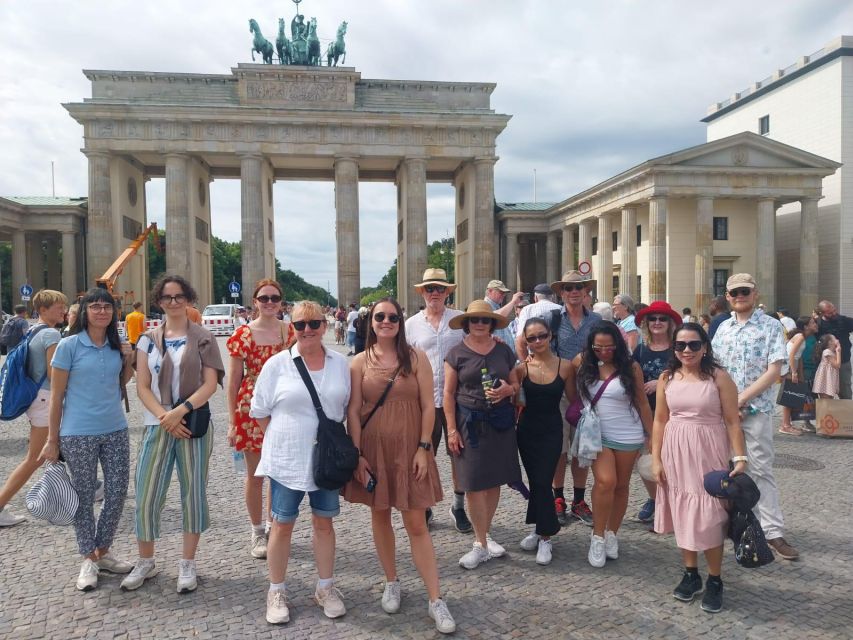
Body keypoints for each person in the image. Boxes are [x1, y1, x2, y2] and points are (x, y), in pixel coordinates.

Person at [343, 298, 455, 633]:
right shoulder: (359, 362)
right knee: (380, 515)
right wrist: (357, 454)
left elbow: (427, 406)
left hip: (410, 449)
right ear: (371, 322)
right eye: (380, 316)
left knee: (416, 523)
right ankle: (391, 580)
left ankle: (436, 598)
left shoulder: (416, 356)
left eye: (393, 316)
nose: (387, 321)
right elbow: (353, 411)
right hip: (374, 449)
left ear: (400, 321)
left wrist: (424, 447)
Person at [122, 275, 225, 593]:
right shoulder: (146, 340)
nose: (174, 302)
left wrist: (179, 412)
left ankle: (187, 563)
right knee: (147, 494)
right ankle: (146, 560)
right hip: (157, 425)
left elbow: (209, 384)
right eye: (168, 297)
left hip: (192, 425)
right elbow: (141, 387)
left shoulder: (204, 337)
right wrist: (164, 417)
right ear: (159, 301)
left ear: (189, 298)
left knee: (193, 493)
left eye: (179, 296)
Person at [249, 301, 350, 625]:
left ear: (325, 325)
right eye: (300, 324)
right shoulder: (276, 365)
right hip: (286, 460)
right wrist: (282, 439)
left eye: (314, 323)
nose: (307, 330)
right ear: (291, 327)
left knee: (324, 523)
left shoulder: (339, 364)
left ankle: (325, 587)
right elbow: (260, 410)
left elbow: (347, 409)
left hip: (326, 462)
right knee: (282, 525)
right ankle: (276, 590)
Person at [39, 288, 135, 591]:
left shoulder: (116, 345)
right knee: (82, 498)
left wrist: (129, 360)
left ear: (114, 313)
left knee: (117, 492)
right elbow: (56, 397)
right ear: (84, 312)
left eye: (107, 307)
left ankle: (102, 550)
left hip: (116, 428)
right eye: (95, 307)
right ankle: (87, 557)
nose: (102, 311)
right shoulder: (68, 346)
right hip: (77, 432)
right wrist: (52, 440)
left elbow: (122, 382)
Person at [652, 323, 747, 614]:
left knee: (710, 516)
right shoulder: (666, 378)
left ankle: (715, 579)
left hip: (709, 450)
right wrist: (656, 458)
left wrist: (740, 457)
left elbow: (732, 420)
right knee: (683, 512)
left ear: (705, 347)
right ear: (674, 348)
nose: (687, 350)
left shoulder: (719, 377)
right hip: (676, 450)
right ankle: (691, 573)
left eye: (694, 344)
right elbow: (659, 421)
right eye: (681, 345)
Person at [712, 273, 798, 560]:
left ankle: (773, 531)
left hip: (756, 410)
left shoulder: (771, 326)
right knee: (728, 469)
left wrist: (740, 399)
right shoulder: (722, 329)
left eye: (745, 291)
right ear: (727, 296)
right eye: (734, 292)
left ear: (755, 294)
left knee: (761, 470)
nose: (740, 296)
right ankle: (733, 525)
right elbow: (714, 369)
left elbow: (775, 371)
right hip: (725, 413)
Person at [444, 300, 521, 569]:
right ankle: (480, 543)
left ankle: (484, 536)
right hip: (469, 422)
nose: (479, 324)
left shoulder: (504, 351)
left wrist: (507, 391)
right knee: (474, 483)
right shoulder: (456, 353)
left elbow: (515, 383)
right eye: (475, 320)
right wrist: (452, 429)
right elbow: (448, 394)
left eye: (485, 320)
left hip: (499, 422)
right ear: (467, 324)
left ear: (491, 324)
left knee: (494, 481)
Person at [573, 322, 652, 568]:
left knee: (621, 486)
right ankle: (597, 536)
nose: (604, 352)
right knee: (606, 481)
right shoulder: (581, 362)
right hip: (598, 434)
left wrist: (651, 436)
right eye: (598, 348)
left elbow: (642, 403)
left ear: (618, 345)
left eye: (609, 347)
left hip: (628, 433)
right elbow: (564, 380)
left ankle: (612, 533)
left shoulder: (631, 367)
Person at [226, 279, 293, 560]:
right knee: (255, 475)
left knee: (278, 472)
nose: (269, 303)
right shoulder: (242, 334)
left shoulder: (291, 332)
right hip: (250, 407)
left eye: (274, 298)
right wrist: (232, 421)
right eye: (263, 298)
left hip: (284, 405)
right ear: (254, 302)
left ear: (281, 302)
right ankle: (257, 531)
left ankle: (273, 525)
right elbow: (233, 382)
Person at [405, 268, 471, 533]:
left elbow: (473, 350)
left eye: (440, 288)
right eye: (430, 288)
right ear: (422, 292)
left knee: (459, 455)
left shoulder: (460, 320)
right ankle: (425, 505)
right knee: (423, 454)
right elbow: (404, 362)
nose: (435, 292)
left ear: (447, 292)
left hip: (456, 400)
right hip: (424, 401)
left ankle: (458, 505)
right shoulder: (411, 324)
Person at [0, 290, 68, 527]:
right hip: (46, 399)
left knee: (61, 447)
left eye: (63, 306)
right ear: (43, 310)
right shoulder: (50, 333)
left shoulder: (32, 330)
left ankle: (86, 491)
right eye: (58, 307)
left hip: (37, 398)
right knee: (34, 459)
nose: (63, 310)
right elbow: (54, 373)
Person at [514, 317, 575, 565]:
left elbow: (574, 400)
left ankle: (546, 537)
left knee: (542, 481)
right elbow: (514, 400)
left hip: (552, 430)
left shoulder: (566, 366)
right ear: (526, 342)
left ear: (550, 336)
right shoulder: (521, 369)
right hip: (527, 431)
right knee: (535, 482)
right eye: (532, 338)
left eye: (542, 336)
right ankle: (539, 528)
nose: (538, 341)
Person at [547, 271, 601, 527]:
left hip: (589, 392)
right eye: (568, 288)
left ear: (586, 291)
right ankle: (558, 497)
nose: (574, 292)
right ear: (562, 292)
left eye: (578, 287)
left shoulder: (597, 321)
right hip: (558, 393)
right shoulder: (552, 318)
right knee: (559, 448)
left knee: (582, 448)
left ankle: (578, 500)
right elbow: (528, 342)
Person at [632, 300, 682, 523]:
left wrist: (660, 382)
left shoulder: (679, 348)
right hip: (645, 413)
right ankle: (655, 499)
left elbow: (690, 376)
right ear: (646, 323)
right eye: (653, 319)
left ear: (670, 323)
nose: (657, 322)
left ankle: (673, 502)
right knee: (648, 459)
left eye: (663, 318)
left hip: (675, 413)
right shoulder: (640, 349)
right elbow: (629, 375)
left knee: (673, 459)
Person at [779, 316, 818, 435]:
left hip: (793, 368)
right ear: (806, 326)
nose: (815, 324)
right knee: (789, 396)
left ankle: (787, 424)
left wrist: (800, 373)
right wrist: (794, 372)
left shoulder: (803, 337)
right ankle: (785, 425)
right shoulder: (800, 337)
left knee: (792, 395)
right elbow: (791, 355)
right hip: (788, 368)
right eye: (812, 322)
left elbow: (799, 357)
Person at [514, 283, 561, 361]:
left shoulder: (527, 309)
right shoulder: (561, 308)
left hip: (534, 360)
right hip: (558, 361)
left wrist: (526, 365)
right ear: (552, 297)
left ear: (535, 297)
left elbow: (520, 341)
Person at [817, 300, 853, 399]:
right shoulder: (818, 324)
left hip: (843, 362)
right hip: (825, 365)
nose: (834, 314)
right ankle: (829, 414)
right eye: (830, 313)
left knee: (845, 392)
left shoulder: (844, 320)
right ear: (822, 313)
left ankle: (847, 413)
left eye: (834, 310)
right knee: (826, 393)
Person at [484, 279, 524, 346]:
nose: (503, 295)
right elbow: (497, 316)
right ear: (490, 291)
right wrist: (513, 302)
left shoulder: (496, 306)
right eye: (501, 292)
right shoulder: (484, 305)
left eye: (504, 293)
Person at [812, 334, 841, 398]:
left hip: (829, 379)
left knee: (829, 400)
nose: (838, 340)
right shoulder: (827, 352)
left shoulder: (832, 352)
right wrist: (839, 351)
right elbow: (837, 365)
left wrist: (837, 351)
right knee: (825, 401)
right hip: (825, 381)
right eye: (835, 338)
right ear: (830, 342)